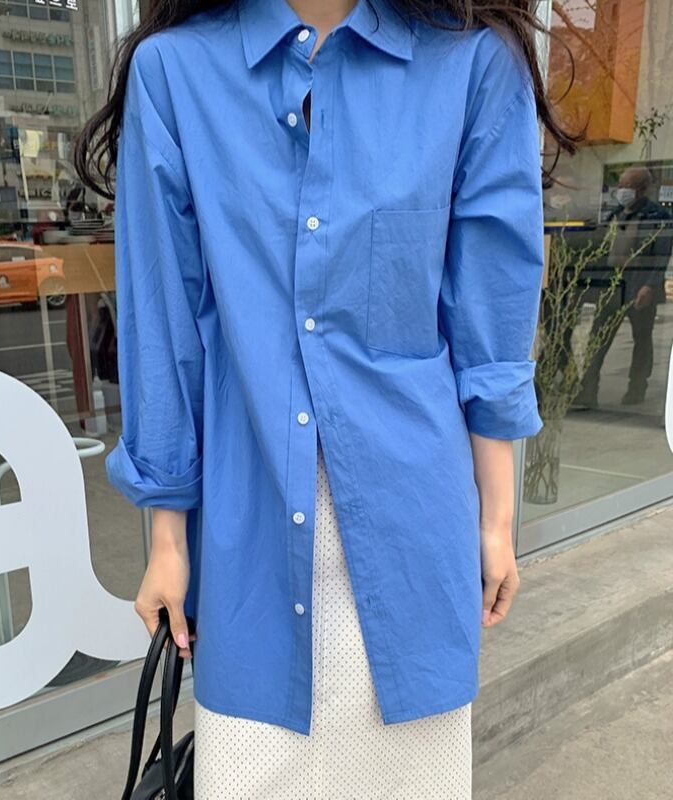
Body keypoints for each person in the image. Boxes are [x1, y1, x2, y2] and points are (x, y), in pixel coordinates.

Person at [74, 0, 578, 797]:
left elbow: (489, 321)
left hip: (414, 539)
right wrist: (167, 540)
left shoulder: (473, 66)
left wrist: (495, 522)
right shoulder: (174, 73)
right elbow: (162, 328)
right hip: (247, 548)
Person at [572, 165, 672, 409]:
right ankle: (588, 391)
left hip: (639, 285)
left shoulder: (657, 216)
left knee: (642, 339)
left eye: (628, 187)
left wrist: (650, 285)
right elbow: (601, 249)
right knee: (598, 338)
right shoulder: (614, 215)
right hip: (611, 284)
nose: (621, 191)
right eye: (621, 186)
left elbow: (660, 255)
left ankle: (637, 387)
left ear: (642, 189)